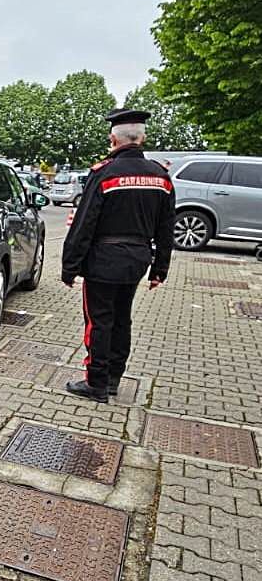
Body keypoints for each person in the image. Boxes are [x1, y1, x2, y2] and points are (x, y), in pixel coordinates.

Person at [61, 108, 176, 402]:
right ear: (142, 138)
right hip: (137, 260)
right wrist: (160, 269)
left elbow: (84, 223)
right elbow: (166, 228)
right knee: (122, 319)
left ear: (113, 139)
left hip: (103, 260)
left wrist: (70, 266)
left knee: (99, 322)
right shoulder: (161, 176)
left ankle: (95, 383)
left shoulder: (104, 173)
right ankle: (113, 378)